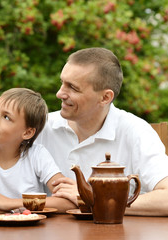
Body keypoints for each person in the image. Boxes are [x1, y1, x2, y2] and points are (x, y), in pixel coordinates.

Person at [36, 47, 168, 216]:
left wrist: (95, 199)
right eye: (62, 83)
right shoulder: (39, 127)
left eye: (73, 88)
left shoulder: (136, 131)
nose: (59, 93)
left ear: (105, 97)